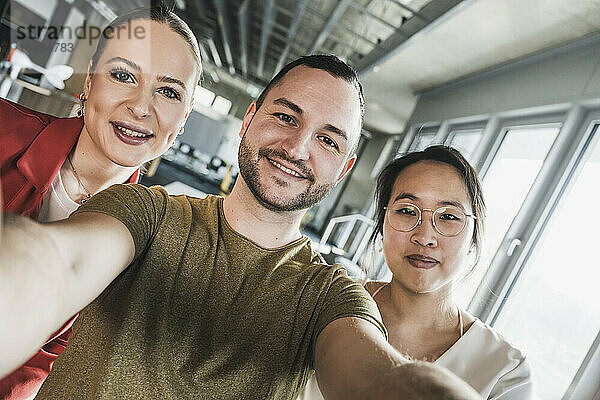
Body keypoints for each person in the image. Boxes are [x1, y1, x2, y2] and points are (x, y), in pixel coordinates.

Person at [0, 56, 481, 399]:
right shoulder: (144, 211)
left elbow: (373, 376)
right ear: (249, 117)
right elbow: (59, 261)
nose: (296, 147)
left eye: (327, 140)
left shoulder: (331, 298)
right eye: (285, 117)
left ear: (343, 167)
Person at [0, 6, 201, 399]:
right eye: (123, 75)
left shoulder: (155, 251)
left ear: (185, 116)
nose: (141, 106)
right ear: (90, 80)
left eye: (168, 91)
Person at [300, 145, 533, 400]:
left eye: (448, 217)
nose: (424, 237)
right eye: (407, 211)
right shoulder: (321, 300)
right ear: (382, 227)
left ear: (473, 239)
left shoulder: (505, 371)